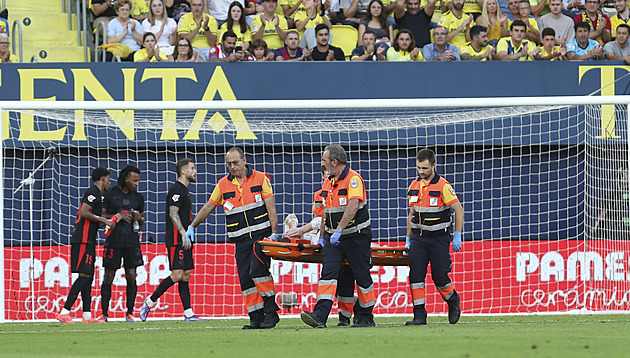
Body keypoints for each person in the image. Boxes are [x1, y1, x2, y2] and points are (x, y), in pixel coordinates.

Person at [185, 147, 281, 329]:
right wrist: (192, 226)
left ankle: (271, 312)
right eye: (229, 164)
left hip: (261, 238)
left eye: (235, 162)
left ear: (244, 160)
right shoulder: (223, 184)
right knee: (245, 280)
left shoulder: (261, 178)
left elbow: (271, 208)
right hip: (240, 240)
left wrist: (274, 233)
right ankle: (256, 317)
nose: (232, 167)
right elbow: (208, 207)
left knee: (257, 272)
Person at [300, 145, 376, 328]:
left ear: (334, 162)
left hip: (357, 237)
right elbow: (326, 210)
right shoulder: (329, 181)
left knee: (362, 276)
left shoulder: (353, 179)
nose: (322, 164)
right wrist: (323, 234)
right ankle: (320, 316)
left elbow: (353, 206)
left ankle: (365, 316)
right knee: (328, 275)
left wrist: (340, 229)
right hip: (335, 238)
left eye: (324, 161)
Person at [140, 159, 206, 322]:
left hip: (185, 238)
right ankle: (149, 302)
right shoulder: (176, 190)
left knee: (185, 275)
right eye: (192, 168)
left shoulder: (184, 190)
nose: (195, 171)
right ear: (184, 171)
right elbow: (173, 213)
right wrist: (183, 233)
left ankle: (189, 314)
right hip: (177, 239)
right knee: (176, 274)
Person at [404, 148, 464, 326]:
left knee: (440, 277)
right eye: (418, 168)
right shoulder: (413, 186)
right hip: (418, 239)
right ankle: (419, 316)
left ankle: (452, 300)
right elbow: (411, 214)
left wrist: (457, 235)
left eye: (425, 168)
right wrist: (408, 238)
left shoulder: (444, 186)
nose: (421, 172)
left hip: (438, 240)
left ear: (433, 166)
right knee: (415, 276)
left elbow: (459, 210)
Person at [56, 168, 115, 324]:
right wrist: (106, 221)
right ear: (103, 178)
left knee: (88, 276)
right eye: (109, 179)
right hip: (82, 239)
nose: (110, 182)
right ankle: (64, 311)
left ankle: (87, 316)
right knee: (84, 276)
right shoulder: (93, 192)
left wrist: (112, 219)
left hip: (88, 239)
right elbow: (84, 212)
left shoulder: (98, 195)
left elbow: (95, 218)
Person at [99, 165, 145, 322]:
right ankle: (104, 314)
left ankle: (130, 313)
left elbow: (143, 221)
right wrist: (119, 215)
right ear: (125, 179)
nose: (136, 183)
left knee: (132, 275)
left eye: (138, 181)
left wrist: (139, 218)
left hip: (132, 242)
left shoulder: (138, 197)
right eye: (134, 180)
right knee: (109, 276)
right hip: (113, 241)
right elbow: (101, 218)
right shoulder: (110, 195)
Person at [591, 166, 630, 240]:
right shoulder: (612, 195)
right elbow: (602, 215)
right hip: (617, 235)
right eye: (625, 173)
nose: (626, 176)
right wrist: (595, 226)